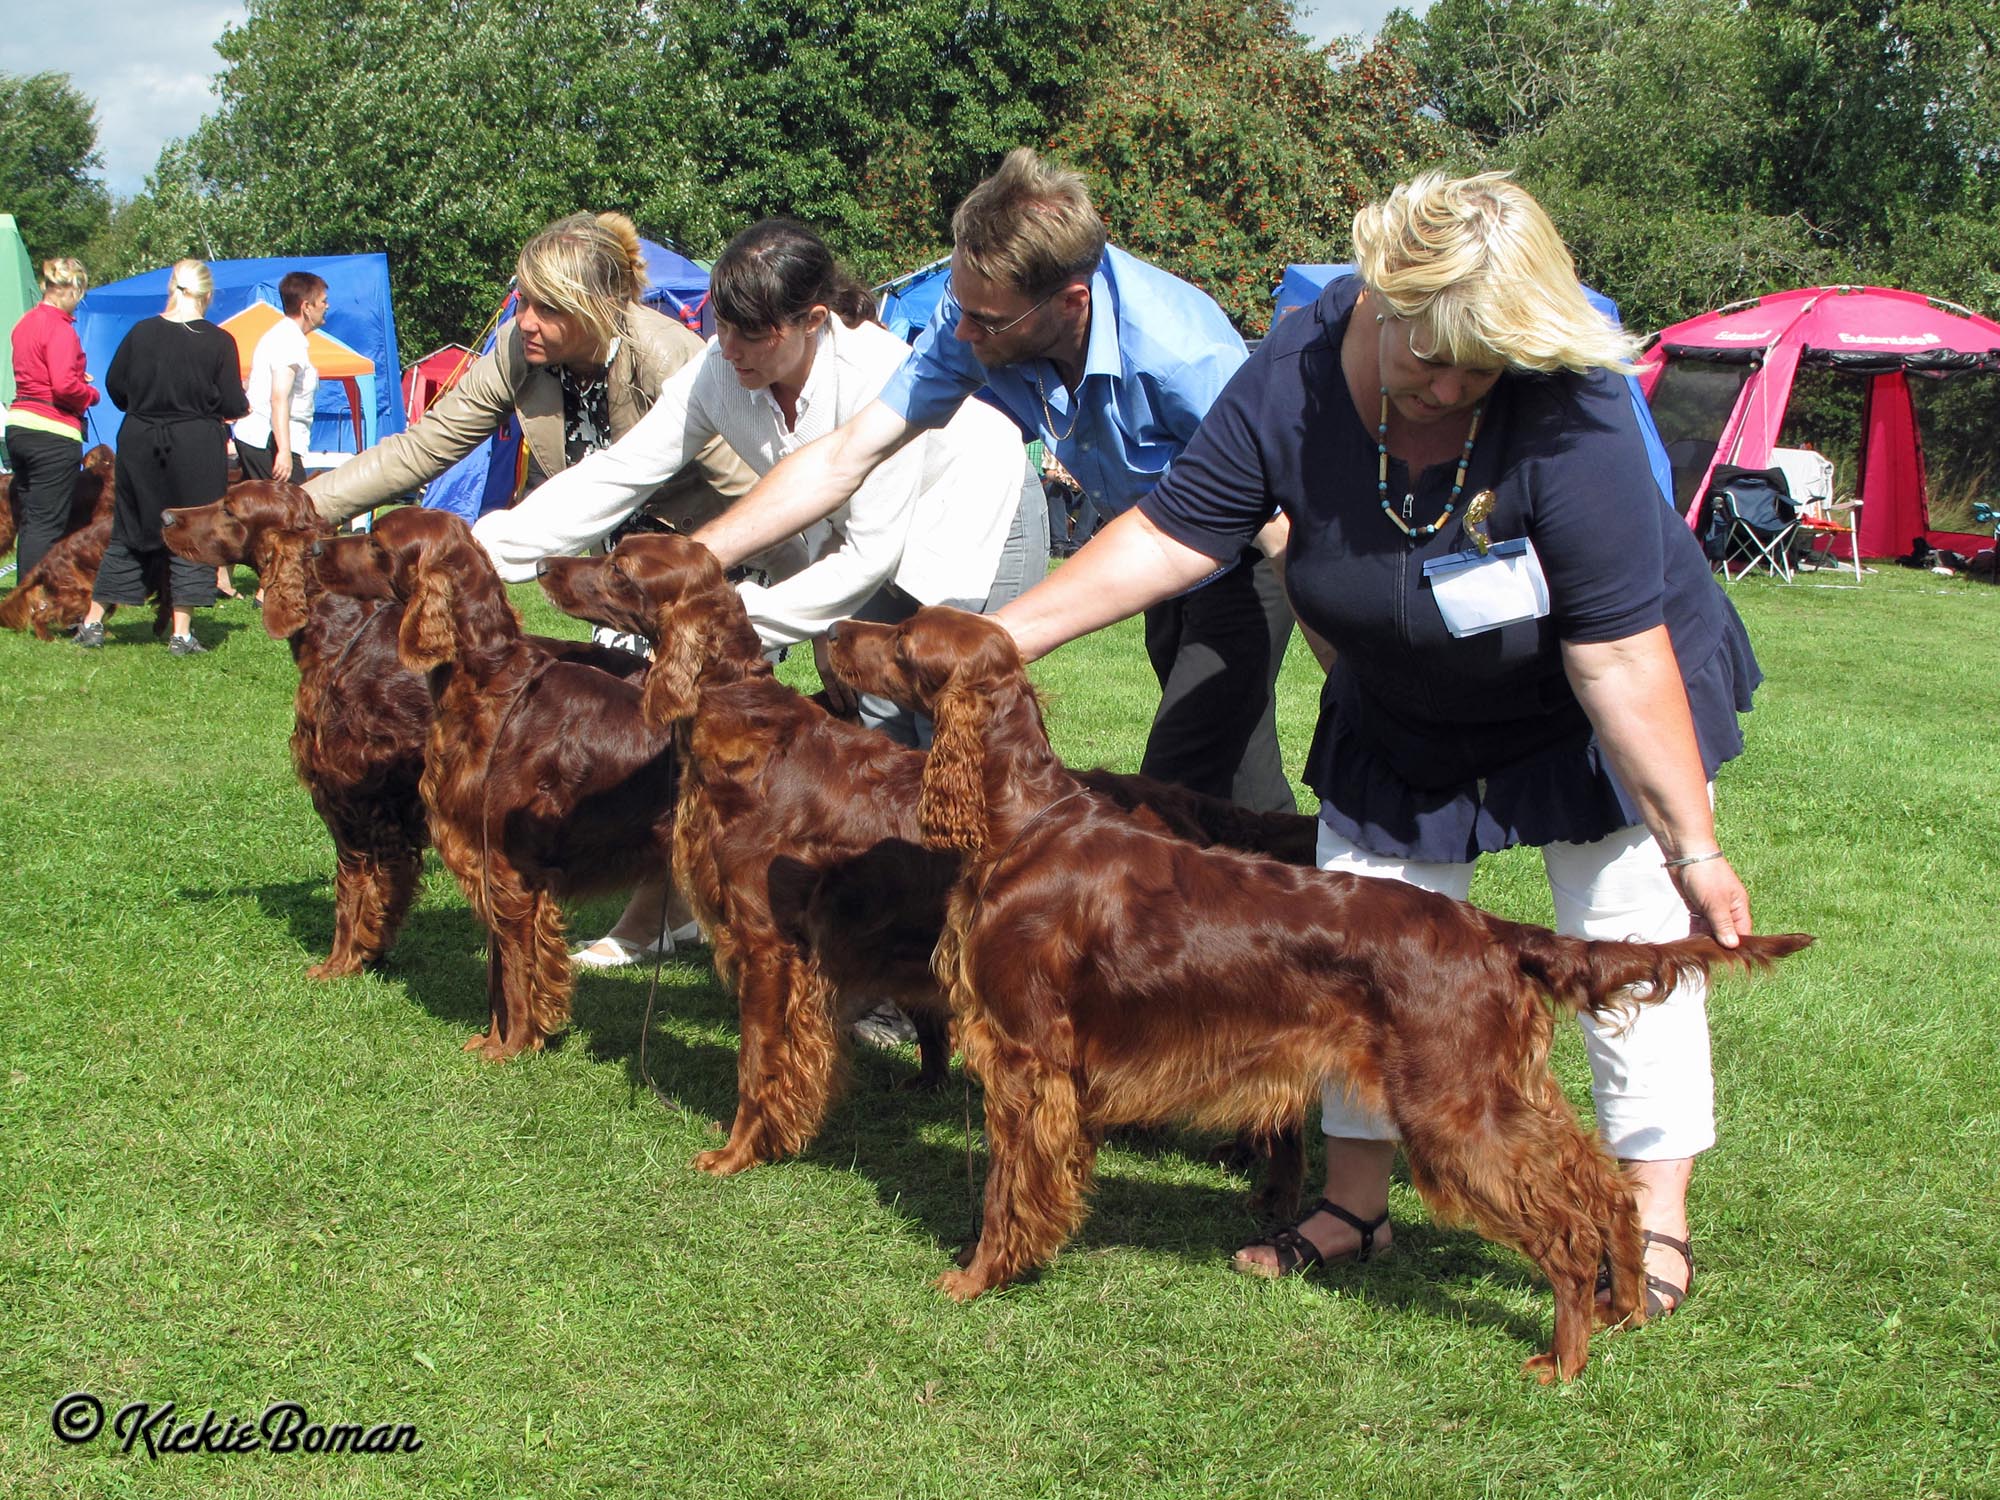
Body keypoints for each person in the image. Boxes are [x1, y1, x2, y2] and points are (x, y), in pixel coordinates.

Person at [993, 171, 1764, 1320]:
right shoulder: (1290, 377)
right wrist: (995, 640)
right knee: (1348, 951)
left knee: (1624, 931)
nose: (1452, 385)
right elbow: (1167, 536)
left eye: (1479, 367)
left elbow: (1614, 657)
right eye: (1431, 357)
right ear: (1377, 299)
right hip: (1397, 706)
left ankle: (1650, 1217)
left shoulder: (1571, 405)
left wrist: (1694, 851)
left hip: (1589, 703)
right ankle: (1353, 1206)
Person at [476, 217, 1047, 967]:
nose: (732, 350)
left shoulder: (877, 374)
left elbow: (866, 562)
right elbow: (621, 472)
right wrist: (487, 551)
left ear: (814, 320)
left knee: (950, 755)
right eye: (723, 327)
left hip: (979, 526)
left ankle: (1002, 948)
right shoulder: (720, 368)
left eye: (754, 335)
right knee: (872, 758)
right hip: (860, 550)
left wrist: (712, 624)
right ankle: (895, 964)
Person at [689, 148, 1297, 816]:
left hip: (1242, 559)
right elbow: (846, 455)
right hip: (1151, 566)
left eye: (988, 321)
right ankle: (1298, 888)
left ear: (1072, 302)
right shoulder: (975, 316)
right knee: (1239, 777)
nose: (963, 333)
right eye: (961, 306)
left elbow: (1285, 520)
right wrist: (698, 562)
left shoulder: (1183, 357)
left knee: (1167, 794)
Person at [305, 213, 758, 552]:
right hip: (623, 569)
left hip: (715, 555)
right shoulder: (516, 351)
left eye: (549, 308)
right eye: (523, 302)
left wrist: (807, 592)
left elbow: (750, 488)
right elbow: (422, 448)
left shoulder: (668, 356)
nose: (525, 322)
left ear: (597, 308)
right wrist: (301, 507)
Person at [74, 260, 249, 654]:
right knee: (193, 530)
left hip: (141, 437)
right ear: (207, 295)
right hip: (196, 444)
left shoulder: (140, 333)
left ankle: (93, 622)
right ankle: (181, 633)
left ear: (171, 289)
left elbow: (117, 387)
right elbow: (233, 402)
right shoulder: (219, 341)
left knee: (130, 530)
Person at [7, 258, 99, 581]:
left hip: (20, 424)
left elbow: (40, 372)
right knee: (50, 521)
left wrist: (73, 376)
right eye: (80, 294)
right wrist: (89, 394)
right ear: (72, 289)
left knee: (32, 518)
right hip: (52, 430)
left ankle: (24, 594)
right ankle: (38, 597)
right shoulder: (61, 329)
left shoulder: (24, 323)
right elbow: (62, 386)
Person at [233, 270, 328, 483]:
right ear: (306, 307)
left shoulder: (284, 337)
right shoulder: (288, 341)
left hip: (268, 439)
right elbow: (278, 397)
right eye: (323, 301)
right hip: (269, 442)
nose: (326, 306)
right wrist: (284, 451)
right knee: (292, 511)